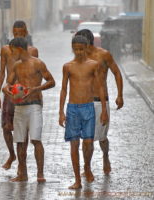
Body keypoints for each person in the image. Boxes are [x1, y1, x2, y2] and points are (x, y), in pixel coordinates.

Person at [3, 37, 55, 182]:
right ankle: (22, 174)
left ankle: (40, 174)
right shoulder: (16, 66)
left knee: (36, 139)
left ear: (19, 49)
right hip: (19, 106)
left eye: (12, 51)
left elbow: (51, 81)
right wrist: (6, 89)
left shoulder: (37, 63)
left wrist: (35, 89)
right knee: (20, 141)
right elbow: (8, 83)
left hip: (34, 105)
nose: (11, 55)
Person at [59, 35, 108, 189]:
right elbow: (63, 89)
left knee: (87, 142)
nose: (79, 52)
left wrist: (104, 110)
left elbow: (100, 87)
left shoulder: (94, 65)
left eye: (81, 49)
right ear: (72, 48)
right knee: (74, 145)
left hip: (88, 107)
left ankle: (87, 166)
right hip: (73, 108)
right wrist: (61, 111)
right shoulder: (68, 66)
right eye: (76, 49)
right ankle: (77, 180)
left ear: (87, 48)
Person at [75, 29, 123, 175]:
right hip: (83, 102)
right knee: (86, 138)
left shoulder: (104, 55)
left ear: (89, 42)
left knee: (102, 138)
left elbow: (117, 73)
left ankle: (105, 156)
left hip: (100, 101)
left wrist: (120, 95)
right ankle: (86, 166)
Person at [0, 20, 38, 170]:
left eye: (21, 33)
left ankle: (21, 163)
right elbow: (1, 72)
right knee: (6, 127)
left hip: (25, 94)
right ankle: (12, 154)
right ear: (12, 32)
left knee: (22, 130)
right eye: (16, 33)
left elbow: (35, 72)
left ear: (26, 33)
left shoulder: (32, 51)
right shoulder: (6, 50)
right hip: (9, 92)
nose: (18, 35)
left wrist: (33, 92)